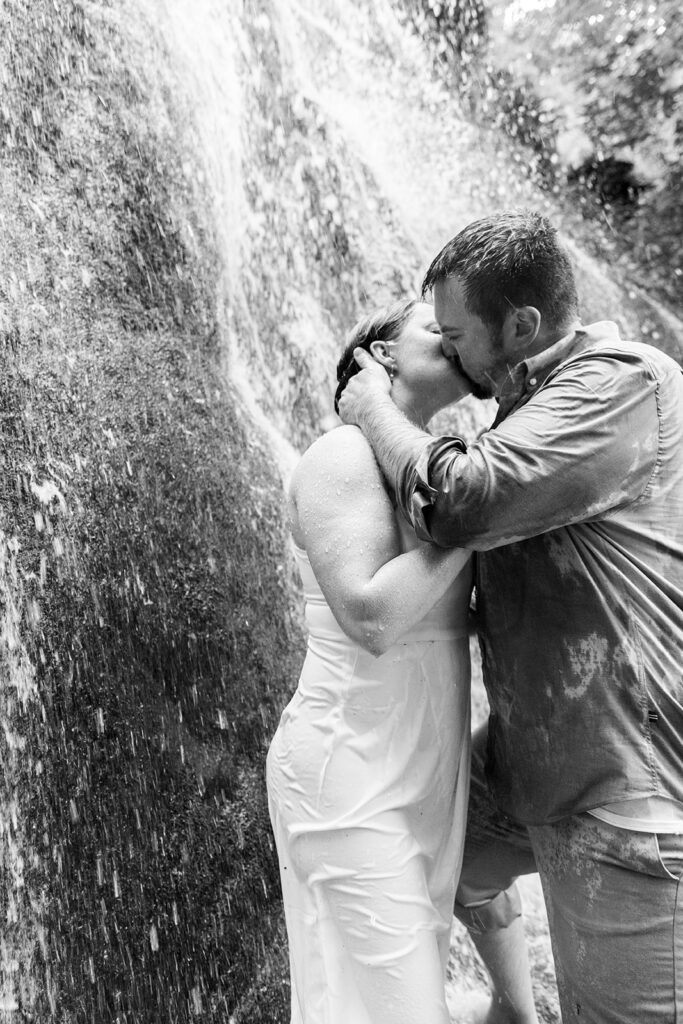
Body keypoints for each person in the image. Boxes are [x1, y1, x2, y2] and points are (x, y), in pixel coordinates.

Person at [338, 210, 683, 1024]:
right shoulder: (530, 403)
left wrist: (370, 408)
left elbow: (462, 502)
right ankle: (511, 1006)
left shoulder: (618, 386)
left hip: (624, 795)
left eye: (456, 335)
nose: (448, 351)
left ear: (521, 325)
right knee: (430, 855)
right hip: (534, 762)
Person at [266, 299, 474, 1024]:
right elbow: (372, 617)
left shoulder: (436, 467)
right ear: (382, 356)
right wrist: (483, 515)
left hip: (427, 766)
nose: (453, 330)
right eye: (433, 325)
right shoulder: (343, 455)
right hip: (345, 765)